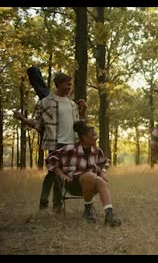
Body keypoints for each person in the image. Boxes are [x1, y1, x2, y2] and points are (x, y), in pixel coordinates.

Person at [14, 73, 87, 213]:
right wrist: (23, 118)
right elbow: (38, 124)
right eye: (67, 84)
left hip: (71, 144)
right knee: (53, 171)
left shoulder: (72, 104)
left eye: (70, 84)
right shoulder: (45, 103)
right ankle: (44, 201)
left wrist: (83, 110)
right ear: (58, 84)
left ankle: (57, 205)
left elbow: (80, 125)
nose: (70, 87)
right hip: (55, 143)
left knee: (63, 174)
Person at [46, 121, 121, 227]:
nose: (96, 137)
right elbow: (50, 158)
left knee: (101, 181)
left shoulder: (96, 150)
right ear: (85, 137)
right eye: (94, 135)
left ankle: (109, 215)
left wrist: (102, 171)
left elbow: (105, 162)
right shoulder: (70, 149)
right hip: (73, 184)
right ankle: (88, 209)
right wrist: (61, 174)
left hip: (92, 183)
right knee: (90, 175)